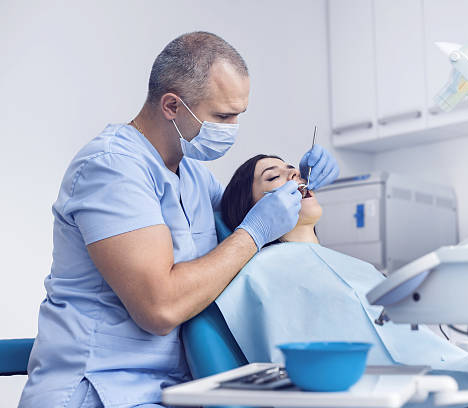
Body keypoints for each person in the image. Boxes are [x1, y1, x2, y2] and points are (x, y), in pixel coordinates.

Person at [18, 33, 339, 408]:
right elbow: (161, 308)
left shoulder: (195, 177)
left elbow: (242, 212)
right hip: (102, 390)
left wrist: (299, 183)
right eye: (223, 116)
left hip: (175, 392)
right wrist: (254, 231)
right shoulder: (111, 168)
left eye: (239, 114)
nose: (233, 127)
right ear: (172, 105)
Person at [186, 154, 468, 408]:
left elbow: (432, 352)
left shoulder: (359, 270)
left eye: (294, 172)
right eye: (274, 178)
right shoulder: (253, 278)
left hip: (463, 392)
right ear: (251, 210)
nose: (295, 179)